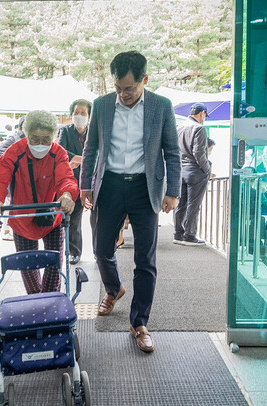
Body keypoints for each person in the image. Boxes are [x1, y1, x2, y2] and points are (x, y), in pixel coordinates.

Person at [80, 51, 181, 353]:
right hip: (108, 185)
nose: (123, 94)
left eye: (130, 88)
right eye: (118, 87)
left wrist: (173, 191)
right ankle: (114, 288)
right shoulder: (101, 105)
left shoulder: (161, 106)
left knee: (145, 260)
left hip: (144, 187)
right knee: (101, 249)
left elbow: (172, 151)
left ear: (144, 80)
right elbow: (91, 148)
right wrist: (85, 185)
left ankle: (140, 323)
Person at [0, 110, 78, 294]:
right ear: (26, 135)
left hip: (51, 216)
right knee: (28, 268)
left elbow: (66, 179)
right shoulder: (14, 152)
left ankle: (50, 302)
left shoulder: (58, 153)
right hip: (22, 217)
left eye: (46, 139)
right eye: (35, 139)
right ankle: (35, 300)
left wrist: (67, 194)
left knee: (55, 267)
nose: (41, 144)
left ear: (54, 137)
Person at [58, 99, 92, 265]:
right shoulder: (65, 130)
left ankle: (101, 252)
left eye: (83, 113)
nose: (79, 115)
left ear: (89, 116)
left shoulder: (94, 131)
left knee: (98, 219)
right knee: (73, 219)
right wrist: (78, 158)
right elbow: (61, 150)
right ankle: (74, 252)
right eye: (76, 112)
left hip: (93, 180)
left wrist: (85, 159)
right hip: (73, 180)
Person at [173, 102, 210, 246]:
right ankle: (189, 235)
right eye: (205, 115)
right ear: (202, 113)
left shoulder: (179, 127)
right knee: (193, 205)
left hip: (181, 170)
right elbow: (198, 153)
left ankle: (178, 234)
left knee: (180, 204)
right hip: (195, 171)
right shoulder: (199, 128)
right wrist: (207, 169)